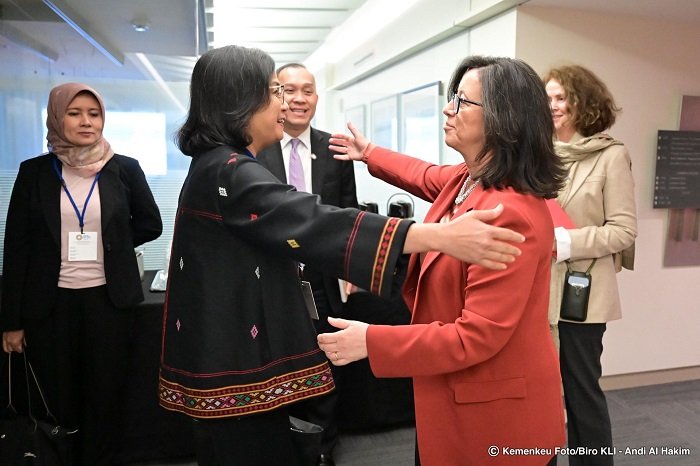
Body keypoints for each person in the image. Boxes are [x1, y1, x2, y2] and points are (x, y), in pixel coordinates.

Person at [157, 46, 526, 466]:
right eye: (274, 91)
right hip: (232, 359)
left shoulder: (217, 164)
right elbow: (310, 221)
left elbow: (420, 178)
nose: (284, 103)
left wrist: (370, 154)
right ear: (241, 101)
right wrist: (435, 237)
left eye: (461, 101)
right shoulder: (229, 170)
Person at [318, 55, 568, 465]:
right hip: (456, 396)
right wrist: (369, 153)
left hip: (496, 418)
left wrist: (371, 341)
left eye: (462, 102)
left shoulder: (508, 214)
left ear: (503, 120)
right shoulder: (467, 179)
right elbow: (422, 174)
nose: (448, 109)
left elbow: (477, 336)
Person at [0, 82, 163, 465]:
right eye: (75, 113)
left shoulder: (123, 168)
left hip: (109, 301)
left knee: (105, 396)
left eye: (94, 113)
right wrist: (11, 321)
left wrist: (113, 244)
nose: (86, 121)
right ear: (56, 117)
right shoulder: (34, 173)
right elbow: (17, 249)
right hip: (50, 306)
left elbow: (150, 223)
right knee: (59, 397)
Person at [257, 62, 357, 466]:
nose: (299, 98)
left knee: (327, 364)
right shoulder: (256, 150)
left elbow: (349, 212)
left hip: (322, 279)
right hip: (273, 278)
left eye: (308, 90)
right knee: (279, 365)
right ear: (277, 97)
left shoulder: (334, 149)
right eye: (289, 90)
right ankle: (285, 447)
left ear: (317, 97)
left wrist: (351, 266)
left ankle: (323, 450)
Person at [543, 65, 637, 466]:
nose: (552, 107)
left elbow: (623, 230)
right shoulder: (539, 153)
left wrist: (566, 241)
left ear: (584, 102)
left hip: (583, 296)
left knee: (581, 394)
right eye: (546, 99)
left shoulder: (611, 155)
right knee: (540, 394)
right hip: (536, 294)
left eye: (561, 98)